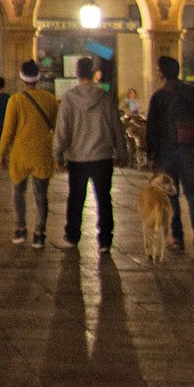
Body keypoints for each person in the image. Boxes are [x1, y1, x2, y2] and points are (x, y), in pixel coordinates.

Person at [52, 56, 128, 252]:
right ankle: (105, 239)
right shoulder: (105, 98)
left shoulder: (69, 98)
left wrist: (58, 154)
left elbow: (62, 129)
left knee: (76, 197)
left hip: (78, 157)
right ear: (93, 72)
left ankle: (72, 234)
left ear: (76, 73)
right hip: (102, 157)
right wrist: (121, 151)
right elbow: (116, 126)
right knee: (104, 198)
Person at [145, 55, 194, 251]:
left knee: (171, 195)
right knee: (193, 192)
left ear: (163, 73)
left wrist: (152, 155)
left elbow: (152, 129)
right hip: (191, 148)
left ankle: (178, 237)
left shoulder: (159, 96)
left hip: (167, 152)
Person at [0, 59, 57, 248]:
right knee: (41, 195)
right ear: (38, 78)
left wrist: (1, 154)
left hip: (20, 153)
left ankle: (21, 229)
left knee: (19, 193)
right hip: (42, 152)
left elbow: (8, 130)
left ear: (22, 78)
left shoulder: (16, 100)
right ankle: (39, 233)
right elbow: (56, 127)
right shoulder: (50, 99)